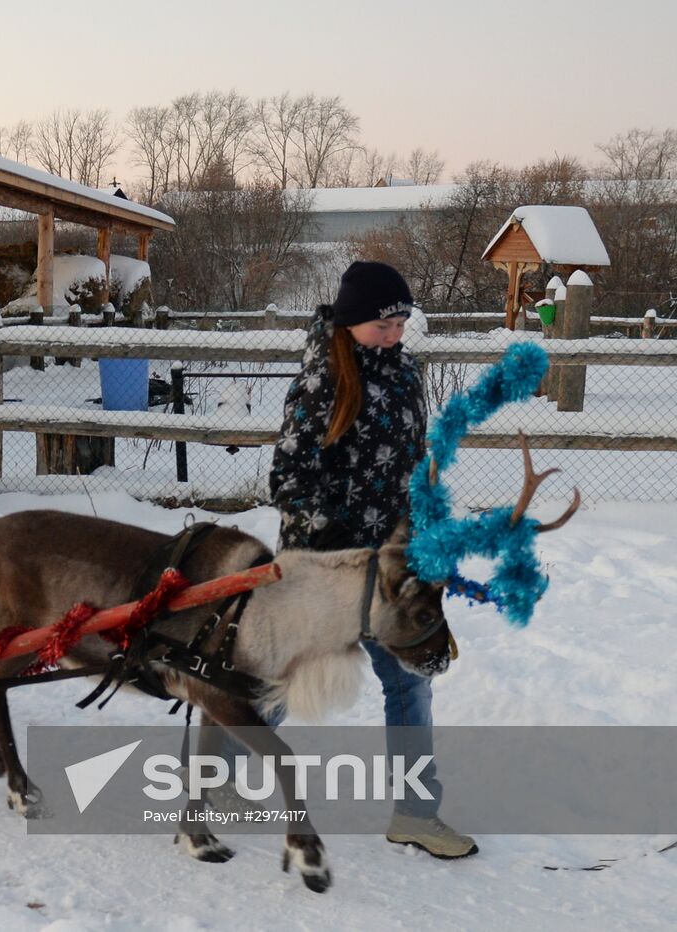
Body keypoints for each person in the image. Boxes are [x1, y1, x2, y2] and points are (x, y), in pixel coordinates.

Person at [267, 260, 477, 859]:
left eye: (402, 321)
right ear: (353, 320)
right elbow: (289, 479)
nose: (396, 333)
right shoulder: (321, 379)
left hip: (392, 568)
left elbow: (415, 464)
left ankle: (416, 812)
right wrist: (339, 547)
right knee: (279, 685)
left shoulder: (407, 372)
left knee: (409, 683)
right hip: (325, 570)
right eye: (385, 323)